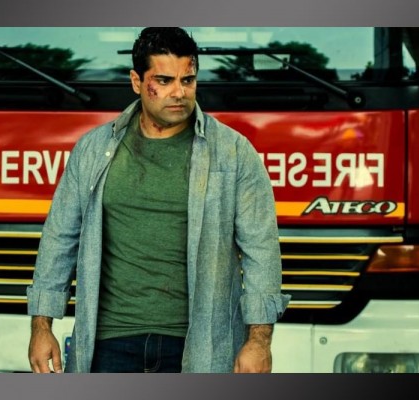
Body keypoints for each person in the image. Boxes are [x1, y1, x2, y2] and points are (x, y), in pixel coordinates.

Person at [27, 27, 290, 373]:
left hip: (200, 347)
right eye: (164, 81)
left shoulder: (233, 152)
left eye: (188, 80)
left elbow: (261, 250)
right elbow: (60, 238)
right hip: (110, 343)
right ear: (137, 82)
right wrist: (41, 326)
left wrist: (259, 341)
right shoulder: (93, 149)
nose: (179, 92)